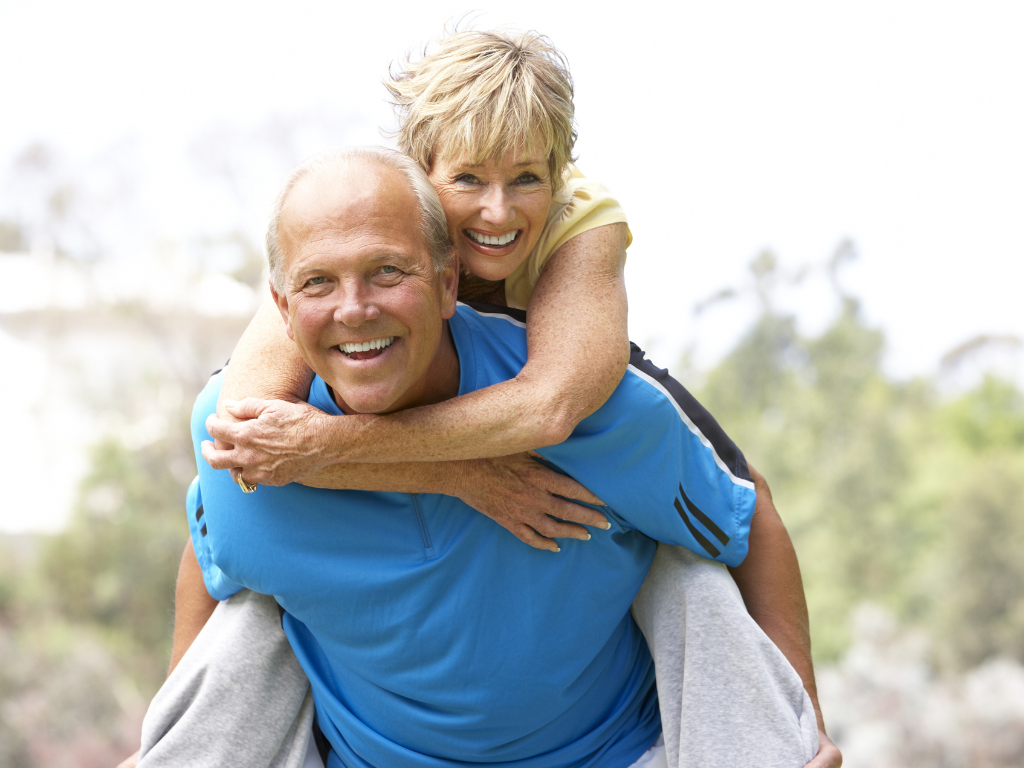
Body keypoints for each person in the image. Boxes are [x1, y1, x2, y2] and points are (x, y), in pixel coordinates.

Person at [199, 32, 839, 763]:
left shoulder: (581, 223)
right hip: (412, 354)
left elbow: (549, 408)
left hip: (550, 364)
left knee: (727, 490)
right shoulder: (367, 235)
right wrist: (457, 476)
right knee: (228, 500)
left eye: (527, 178)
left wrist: (807, 722)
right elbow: (241, 438)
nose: (498, 213)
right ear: (419, 166)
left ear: (559, 173)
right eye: (468, 180)